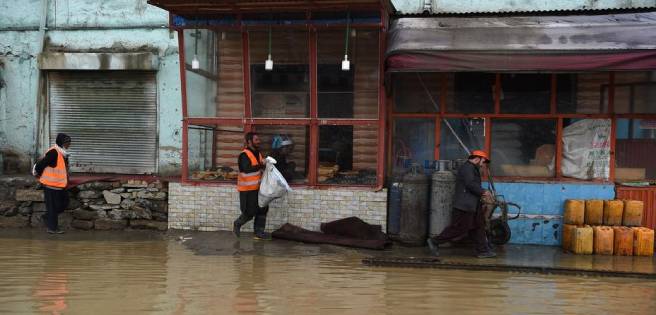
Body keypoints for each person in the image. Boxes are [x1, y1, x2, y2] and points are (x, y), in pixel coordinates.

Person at [427, 150, 496, 258]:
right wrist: (483, 191)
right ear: (477, 159)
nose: (483, 164)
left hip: (472, 204)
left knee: (478, 226)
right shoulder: (468, 168)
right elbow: (470, 184)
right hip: (464, 205)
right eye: (483, 161)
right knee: (460, 228)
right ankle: (435, 241)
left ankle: (482, 251)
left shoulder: (472, 168)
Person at [233, 132, 271, 240]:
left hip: (259, 188)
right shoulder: (244, 155)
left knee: (263, 208)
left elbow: (259, 168)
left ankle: (259, 233)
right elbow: (247, 169)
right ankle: (237, 223)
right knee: (250, 212)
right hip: (248, 190)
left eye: (258, 139)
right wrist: (261, 165)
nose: (259, 141)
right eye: (256, 140)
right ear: (249, 142)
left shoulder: (257, 153)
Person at [33, 133, 71, 234]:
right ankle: (52, 228)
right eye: (67, 143)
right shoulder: (54, 152)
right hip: (50, 185)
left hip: (60, 185)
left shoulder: (63, 153)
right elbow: (41, 164)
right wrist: (37, 173)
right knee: (52, 207)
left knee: (64, 203)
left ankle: (48, 217)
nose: (69, 145)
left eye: (69, 143)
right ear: (61, 143)